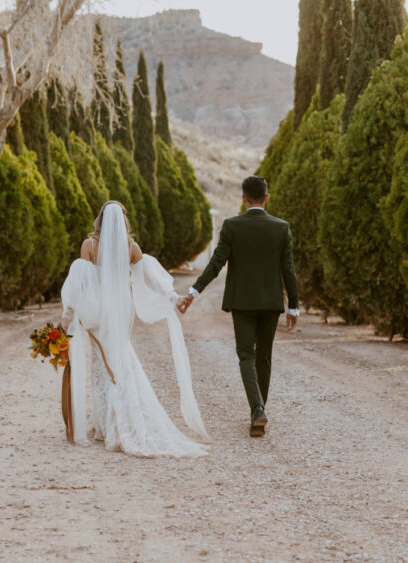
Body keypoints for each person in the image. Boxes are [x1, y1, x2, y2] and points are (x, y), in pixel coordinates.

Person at [60, 201, 209, 457]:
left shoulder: (90, 246)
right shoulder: (131, 248)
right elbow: (151, 279)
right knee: (117, 356)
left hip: (96, 312)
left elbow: (80, 284)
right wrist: (173, 298)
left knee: (103, 362)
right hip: (121, 310)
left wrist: (69, 313)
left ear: (100, 220)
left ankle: (112, 423)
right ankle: (107, 420)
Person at [178, 176, 299, 437]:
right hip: (270, 303)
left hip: (242, 302)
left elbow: (215, 264)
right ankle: (259, 410)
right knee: (264, 356)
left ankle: (257, 409)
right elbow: (288, 270)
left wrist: (192, 292)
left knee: (246, 354)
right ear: (267, 198)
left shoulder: (232, 226)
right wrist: (294, 307)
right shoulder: (281, 228)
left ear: (243, 198)